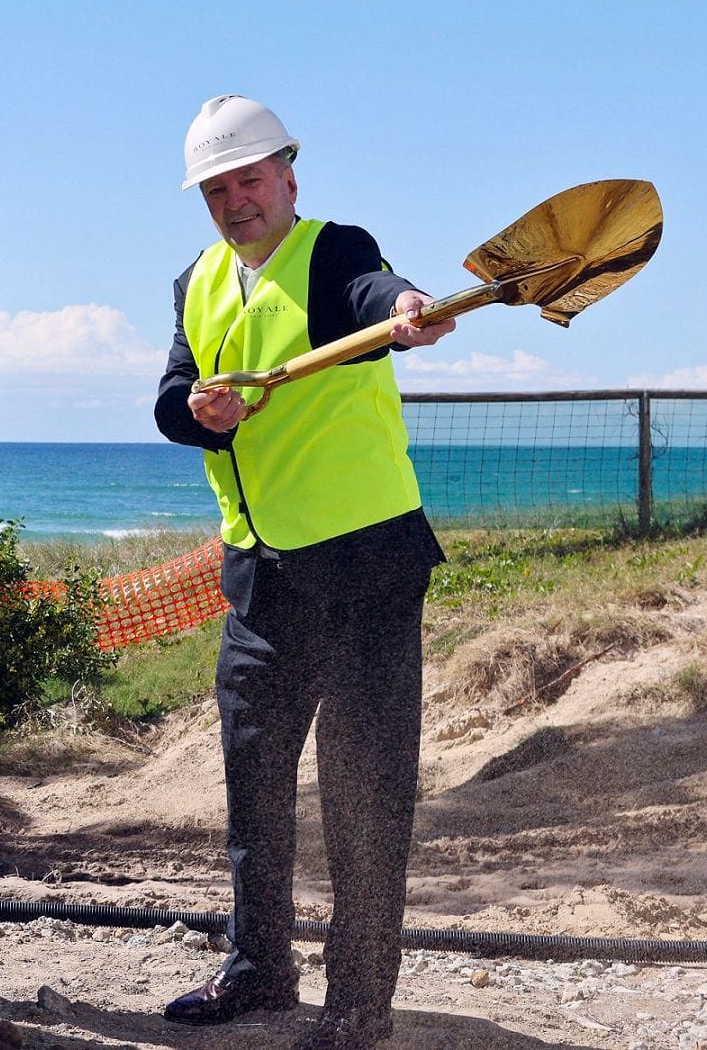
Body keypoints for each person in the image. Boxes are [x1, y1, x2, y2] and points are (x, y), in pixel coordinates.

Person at [154, 96, 454, 1050]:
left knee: (367, 792)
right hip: (262, 576)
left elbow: (376, 290)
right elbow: (167, 396)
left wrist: (405, 309)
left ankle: (359, 1002)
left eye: (248, 179)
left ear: (288, 175)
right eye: (216, 187)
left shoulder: (332, 251)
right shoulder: (195, 284)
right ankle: (258, 970)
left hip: (366, 566)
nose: (235, 200)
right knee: (254, 785)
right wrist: (194, 411)